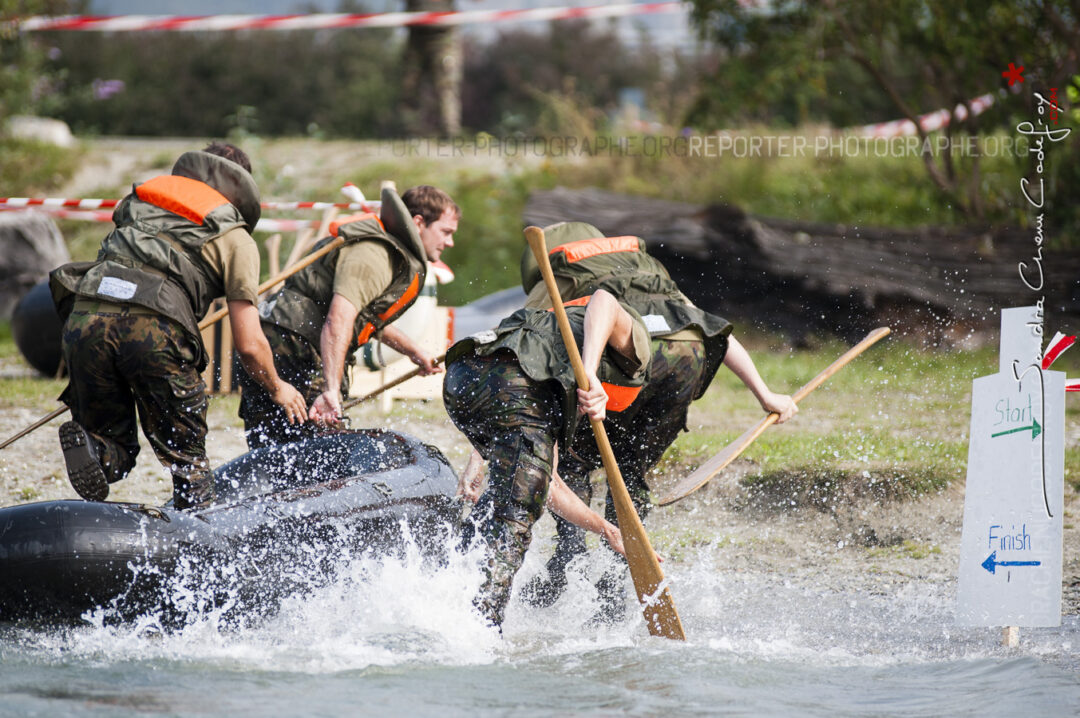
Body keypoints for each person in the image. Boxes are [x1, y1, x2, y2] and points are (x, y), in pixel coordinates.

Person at [515, 221, 797, 617]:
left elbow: (520, 351)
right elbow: (709, 327)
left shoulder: (556, 271)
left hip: (629, 356)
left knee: (574, 456)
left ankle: (567, 563)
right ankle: (616, 584)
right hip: (687, 359)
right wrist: (764, 393)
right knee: (628, 472)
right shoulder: (644, 266)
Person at [49, 143, 307, 510]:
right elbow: (249, 344)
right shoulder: (237, 240)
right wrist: (279, 387)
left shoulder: (137, 206)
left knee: (114, 448)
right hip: (153, 330)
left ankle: (95, 449)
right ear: (240, 191)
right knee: (188, 464)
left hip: (85, 318)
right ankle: (197, 538)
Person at [443, 289, 654, 628]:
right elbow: (604, 300)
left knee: (519, 496)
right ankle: (481, 631)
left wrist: (605, 529)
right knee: (514, 521)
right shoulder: (638, 354)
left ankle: (439, 586)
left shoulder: (551, 360)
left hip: (461, 380)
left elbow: (550, 484)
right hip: (511, 387)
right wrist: (590, 374)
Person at [237, 185, 459, 448]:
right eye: (445, 232)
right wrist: (331, 389)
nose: (450, 242)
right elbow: (338, 319)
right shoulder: (376, 253)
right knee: (319, 452)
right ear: (419, 223)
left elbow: (362, 319)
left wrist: (414, 352)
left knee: (275, 450)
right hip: (298, 349)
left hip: (283, 339)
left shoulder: (388, 250)